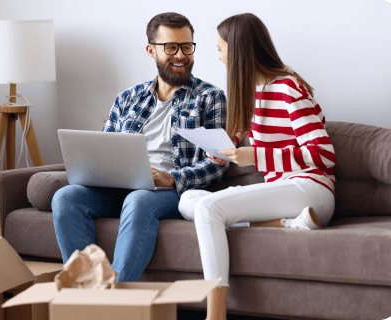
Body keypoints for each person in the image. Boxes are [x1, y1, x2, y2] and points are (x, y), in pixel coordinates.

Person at [178, 13, 336, 320]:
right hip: (282, 194)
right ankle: (284, 225)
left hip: (310, 187)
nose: (220, 57)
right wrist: (224, 151)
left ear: (237, 51)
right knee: (187, 201)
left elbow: (322, 154)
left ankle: (215, 314)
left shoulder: (289, 87)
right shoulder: (253, 94)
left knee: (210, 209)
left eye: (221, 48)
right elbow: (242, 145)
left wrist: (258, 156)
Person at [51, 12, 230, 282]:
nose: (180, 55)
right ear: (151, 50)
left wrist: (171, 178)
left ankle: (118, 294)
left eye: (186, 47)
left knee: (138, 199)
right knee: (65, 198)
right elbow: (104, 148)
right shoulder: (128, 98)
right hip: (119, 187)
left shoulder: (210, 97)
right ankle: (84, 291)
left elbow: (219, 163)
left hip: (169, 191)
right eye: (171, 47)